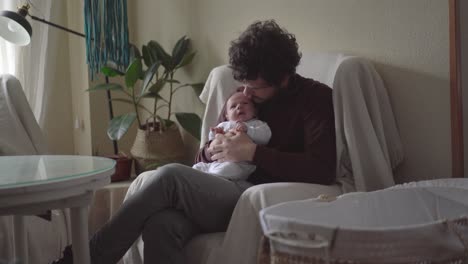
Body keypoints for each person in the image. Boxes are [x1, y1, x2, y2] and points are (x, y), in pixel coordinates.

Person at [52, 19, 336, 264]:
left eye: (255, 86)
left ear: (283, 78)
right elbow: (205, 152)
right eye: (243, 84)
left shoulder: (315, 98)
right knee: (161, 225)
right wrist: (210, 152)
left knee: (169, 176)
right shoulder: (244, 96)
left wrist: (252, 152)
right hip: (222, 188)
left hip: (257, 197)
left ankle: (84, 258)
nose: (245, 93)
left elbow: (321, 169)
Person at [193, 91, 271, 181]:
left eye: (245, 103)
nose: (239, 107)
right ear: (227, 116)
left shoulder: (257, 124)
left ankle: (211, 179)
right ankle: (206, 176)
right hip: (218, 161)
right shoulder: (224, 125)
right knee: (197, 167)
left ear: (255, 111)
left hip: (240, 164)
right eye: (233, 106)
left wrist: (248, 130)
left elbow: (265, 136)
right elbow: (212, 143)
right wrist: (216, 134)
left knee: (227, 170)